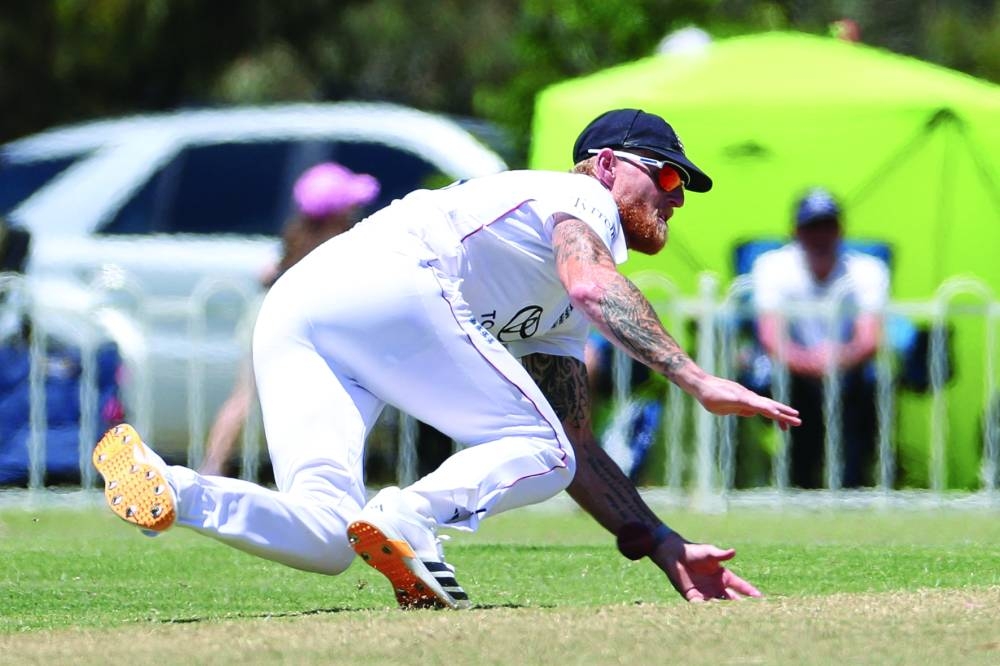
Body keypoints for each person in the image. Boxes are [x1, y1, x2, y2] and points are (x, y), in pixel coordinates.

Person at [93, 108, 800, 609]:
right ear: (610, 164)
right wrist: (696, 377)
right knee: (536, 448)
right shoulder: (584, 198)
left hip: (304, 304)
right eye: (667, 179)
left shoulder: (553, 298)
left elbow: (577, 446)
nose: (675, 201)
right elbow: (591, 285)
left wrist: (664, 543)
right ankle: (411, 517)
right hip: (391, 281)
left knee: (327, 534)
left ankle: (171, 488)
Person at [198, 162, 380, 477]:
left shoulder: (297, 236)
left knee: (246, 396)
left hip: (266, 313)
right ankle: (211, 466)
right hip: (274, 318)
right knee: (246, 396)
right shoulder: (332, 242)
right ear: (336, 211)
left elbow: (267, 273)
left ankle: (212, 467)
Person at [750, 187, 888, 488]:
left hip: (849, 372)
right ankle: (797, 485)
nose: (820, 236)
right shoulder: (772, 266)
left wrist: (838, 359)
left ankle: (855, 487)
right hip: (792, 370)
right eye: (812, 227)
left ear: (841, 230)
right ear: (796, 231)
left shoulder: (868, 270)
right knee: (790, 398)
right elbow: (771, 337)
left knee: (868, 391)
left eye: (828, 226)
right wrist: (809, 362)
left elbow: (869, 338)